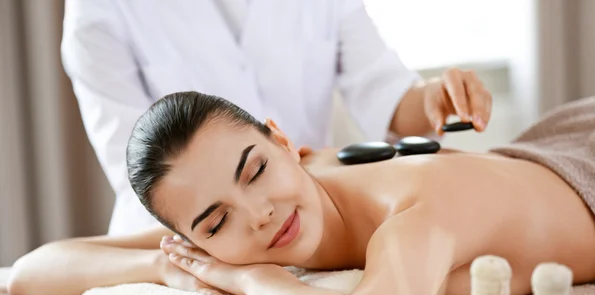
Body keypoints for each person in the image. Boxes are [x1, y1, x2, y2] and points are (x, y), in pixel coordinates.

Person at [9, 92, 595, 295]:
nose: (258, 213)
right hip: (542, 151)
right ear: (197, 240)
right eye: (216, 222)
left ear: (284, 142)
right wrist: (168, 266)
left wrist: (257, 281)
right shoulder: (244, 226)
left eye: (257, 170)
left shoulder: (415, 214)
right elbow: (33, 272)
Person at [61, 0, 493, 236]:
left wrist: (436, 98)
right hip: (189, 238)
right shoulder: (100, 11)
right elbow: (135, 172)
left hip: (311, 218)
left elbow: (386, 93)